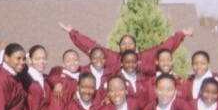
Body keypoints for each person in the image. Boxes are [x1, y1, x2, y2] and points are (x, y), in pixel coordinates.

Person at [58, 22, 193, 76]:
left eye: (130, 43)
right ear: (119, 47)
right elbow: (92, 46)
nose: (127, 46)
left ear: (136, 47)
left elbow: (163, 47)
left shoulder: (144, 57)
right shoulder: (112, 58)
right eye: (124, 43)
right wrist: (72, 33)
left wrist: (181, 35)